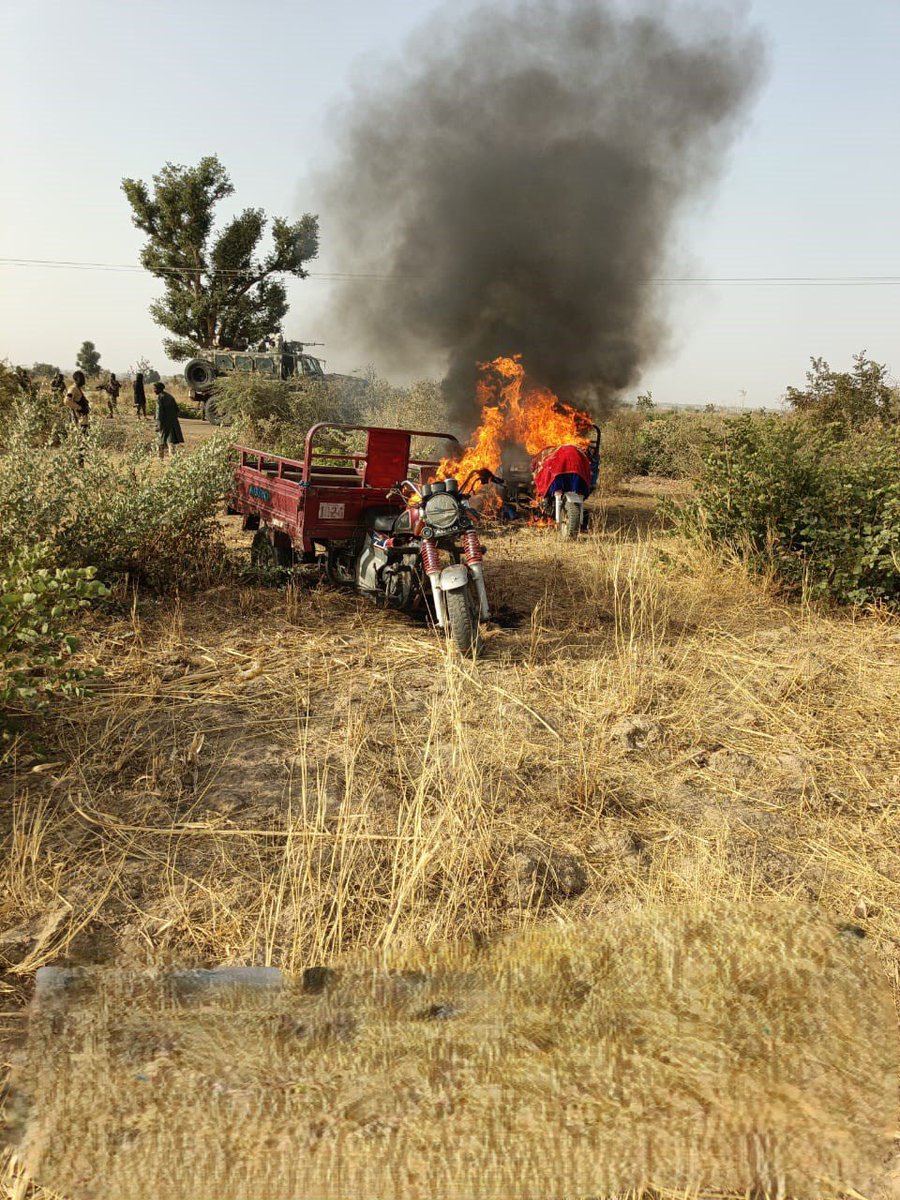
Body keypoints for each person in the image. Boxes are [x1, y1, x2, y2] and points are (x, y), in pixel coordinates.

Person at [153, 381, 184, 459]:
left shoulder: (159, 398)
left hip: (164, 422)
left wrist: (158, 425)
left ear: (159, 389)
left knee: (161, 440)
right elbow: (177, 410)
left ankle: (160, 458)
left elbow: (159, 413)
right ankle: (173, 457)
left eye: (155, 389)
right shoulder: (170, 396)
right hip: (173, 421)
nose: (154, 390)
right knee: (171, 440)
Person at [65, 371, 90, 463]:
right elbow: (67, 401)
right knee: (81, 441)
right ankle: (78, 463)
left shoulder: (78, 389)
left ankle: (79, 462)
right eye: (81, 378)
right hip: (78, 420)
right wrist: (79, 408)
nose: (84, 380)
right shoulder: (73, 389)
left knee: (83, 441)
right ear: (76, 379)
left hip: (83, 420)